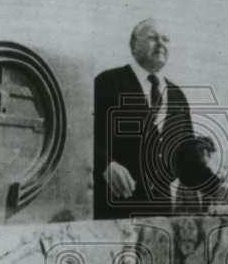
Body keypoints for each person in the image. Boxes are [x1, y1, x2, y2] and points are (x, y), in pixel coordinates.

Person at [93, 18, 220, 219]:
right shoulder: (108, 82)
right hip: (112, 212)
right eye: (153, 37)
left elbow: (186, 161)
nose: (161, 43)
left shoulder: (177, 96)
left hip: (159, 216)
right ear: (133, 45)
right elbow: (83, 137)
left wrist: (220, 189)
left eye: (166, 39)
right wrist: (106, 165)